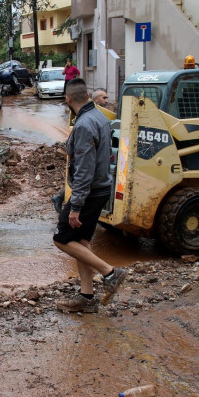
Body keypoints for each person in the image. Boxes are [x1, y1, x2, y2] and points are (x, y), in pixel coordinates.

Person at [53, 79, 127, 312]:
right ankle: (87, 298)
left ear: (68, 100)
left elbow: (84, 170)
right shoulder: (99, 117)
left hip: (89, 192)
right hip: (101, 188)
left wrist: (75, 206)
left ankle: (110, 273)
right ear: (87, 96)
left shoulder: (84, 125)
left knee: (61, 238)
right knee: (81, 242)